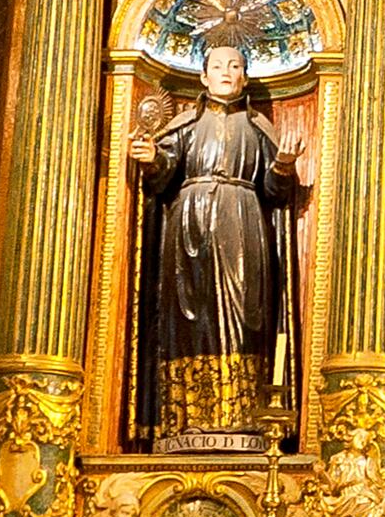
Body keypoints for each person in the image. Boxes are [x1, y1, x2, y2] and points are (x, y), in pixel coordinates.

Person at [127, 41, 306, 444]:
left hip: (243, 224)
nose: (227, 72)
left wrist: (282, 166)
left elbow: (275, 192)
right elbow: (161, 178)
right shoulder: (185, 125)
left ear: (244, 76)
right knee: (192, 318)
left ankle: (243, 415)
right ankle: (187, 418)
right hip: (189, 226)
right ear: (204, 76)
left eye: (236, 65)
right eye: (218, 66)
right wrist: (151, 157)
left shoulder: (259, 128)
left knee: (246, 316)